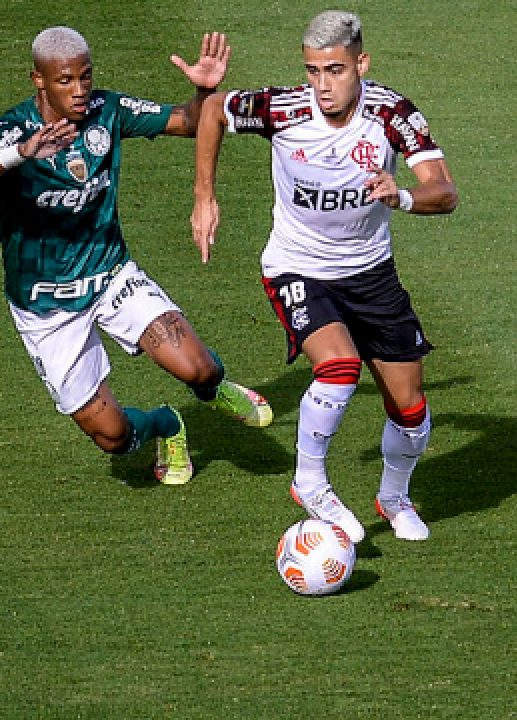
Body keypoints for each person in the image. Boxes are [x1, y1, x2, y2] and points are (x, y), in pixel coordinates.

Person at [0, 26, 272, 485]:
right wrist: (22, 153)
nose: (80, 90)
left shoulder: (109, 110)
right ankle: (167, 424)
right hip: (46, 307)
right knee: (114, 438)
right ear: (39, 80)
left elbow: (186, 122)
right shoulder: (15, 129)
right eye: (66, 80)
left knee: (199, 368)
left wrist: (204, 92)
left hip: (109, 276)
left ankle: (216, 389)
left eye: (85, 77)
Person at [191, 10, 458, 541]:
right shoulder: (283, 110)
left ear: (361, 63)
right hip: (298, 266)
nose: (322, 84)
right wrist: (204, 196)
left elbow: (444, 191)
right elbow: (215, 110)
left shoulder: (391, 114)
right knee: (338, 367)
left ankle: (394, 498)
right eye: (313, 71)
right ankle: (309, 482)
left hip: (371, 273)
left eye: (334, 70)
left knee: (410, 407)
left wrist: (400, 195)